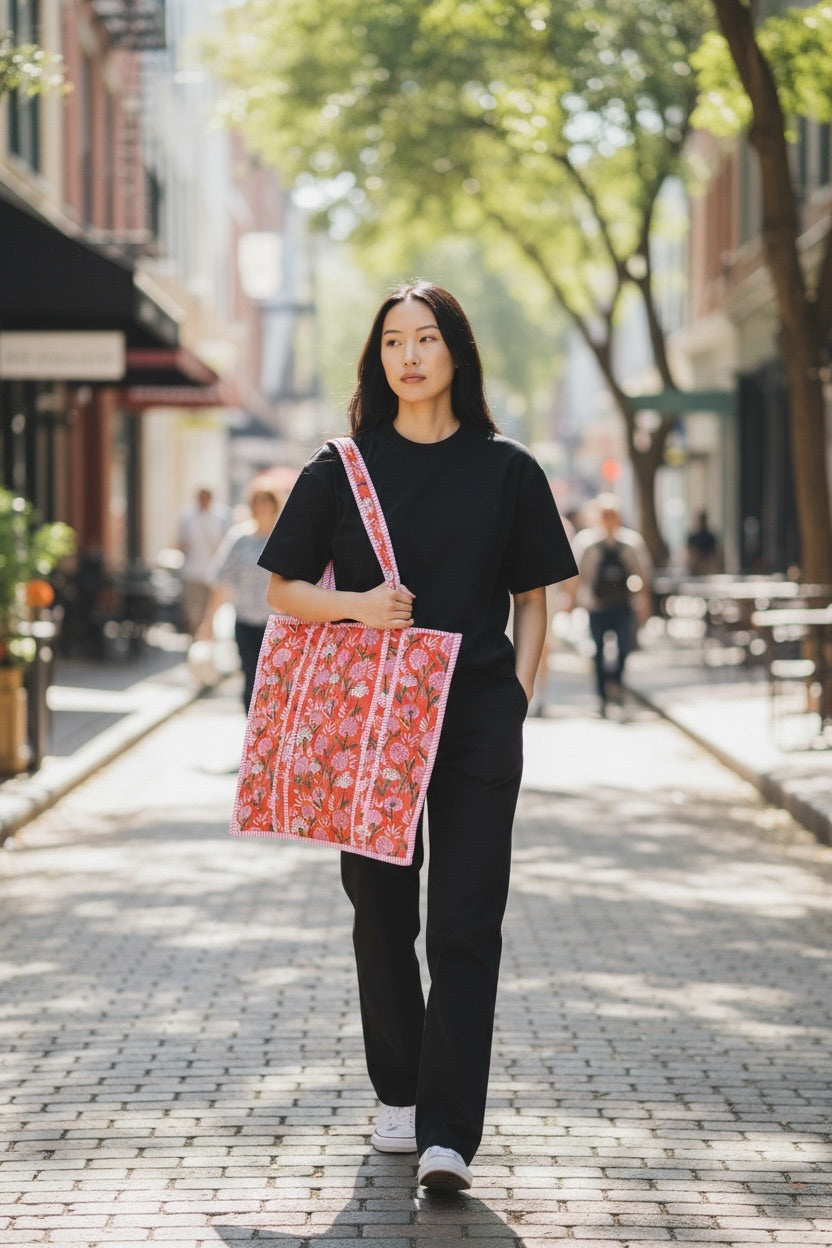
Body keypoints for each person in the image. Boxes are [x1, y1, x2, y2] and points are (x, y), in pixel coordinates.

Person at [257, 281, 577, 1192]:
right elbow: (282, 589)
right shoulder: (341, 467)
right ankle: (398, 1092)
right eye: (393, 339)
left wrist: (512, 701)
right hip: (369, 721)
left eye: (426, 338)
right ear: (378, 358)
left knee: (466, 922)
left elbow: (534, 599)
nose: (409, 354)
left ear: (455, 354)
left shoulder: (508, 468)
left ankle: (448, 1133)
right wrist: (358, 606)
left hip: (474, 717)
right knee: (382, 913)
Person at [198, 477, 291, 712]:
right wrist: (208, 621)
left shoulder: (286, 539)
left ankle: (272, 734)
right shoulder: (239, 540)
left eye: (266, 501)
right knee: (251, 678)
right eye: (257, 502)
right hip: (246, 623)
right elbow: (222, 582)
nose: (262, 507)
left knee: (277, 683)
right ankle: (253, 733)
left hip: (280, 625)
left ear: (275, 504)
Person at [570, 493, 652, 717]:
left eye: (612, 514)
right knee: (597, 652)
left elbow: (642, 574)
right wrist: (573, 601)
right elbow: (577, 576)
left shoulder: (630, 543)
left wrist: (642, 601)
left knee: (624, 648)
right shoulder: (587, 543)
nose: (609, 519)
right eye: (605, 514)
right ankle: (602, 696)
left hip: (623, 605)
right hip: (596, 606)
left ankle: (616, 682)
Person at [176, 488, 230, 636]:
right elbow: (181, 542)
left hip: (214, 572)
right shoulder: (188, 517)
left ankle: (207, 641)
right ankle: (195, 637)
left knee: (211, 611)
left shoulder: (220, 517)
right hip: (192, 571)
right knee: (193, 610)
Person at [686, 509, 722, 577]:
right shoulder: (693, 537)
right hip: (695, 568)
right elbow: (690, 553)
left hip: (708, 568)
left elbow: (714, 554)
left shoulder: (710, 537)